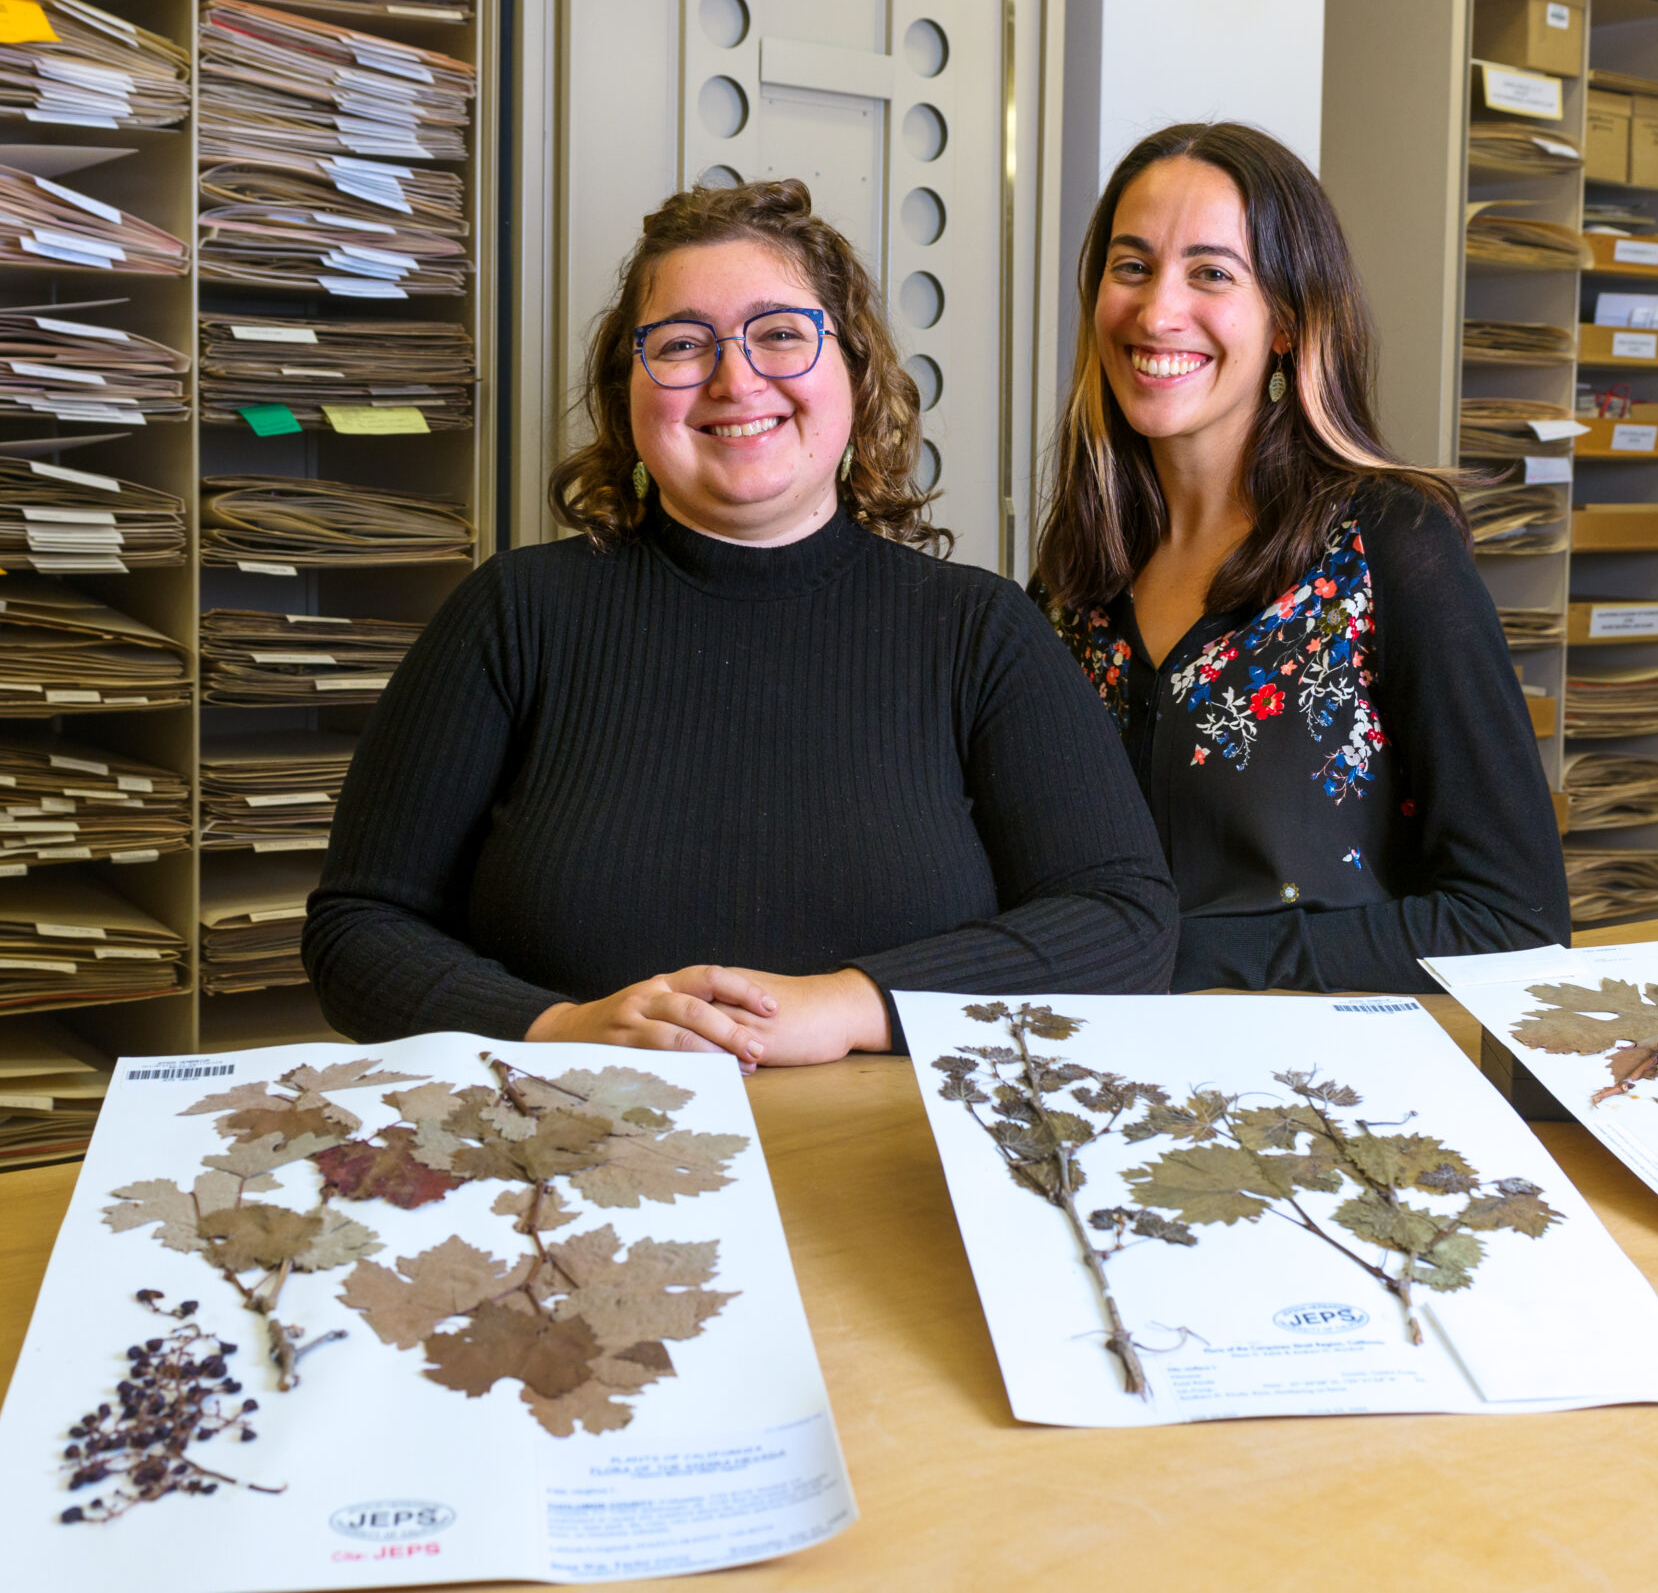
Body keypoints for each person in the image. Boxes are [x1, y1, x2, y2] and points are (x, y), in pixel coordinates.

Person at [305, 177, 1177, 1059]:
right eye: (683, 344)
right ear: (629, 390)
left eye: (782, 335)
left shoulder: (979, 633)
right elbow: (358, 930)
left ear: (858, 374)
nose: (735, 378)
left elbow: (1124, 921)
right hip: (575, 1151)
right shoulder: (512, 615)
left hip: (888, 1162)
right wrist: (559, 1028)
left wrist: (849, 1006)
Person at [1036, 122, 1568, 994]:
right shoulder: (1071, 580)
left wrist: (1189, 962)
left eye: (1211, 273)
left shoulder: (1392, 545)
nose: (1156, 310)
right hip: (1092, 1088)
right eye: (1131, 267)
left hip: (1318, 1100)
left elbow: (1515, 923)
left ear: (1287, 318)